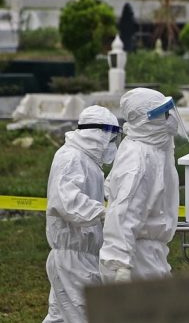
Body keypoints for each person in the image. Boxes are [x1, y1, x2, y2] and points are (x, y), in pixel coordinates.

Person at [43, 106, 120, 323]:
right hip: (72, 255)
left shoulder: (88, 162)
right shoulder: (71, 157)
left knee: (59, 317)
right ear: (97, 133)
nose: (111, 144)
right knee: (84, 315)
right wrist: (104, 213)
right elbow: (65, 200)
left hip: (81, 254)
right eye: (110, 137)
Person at [99, 88, 184, 283]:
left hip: (149, 254)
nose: (169, 119)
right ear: (148, 119)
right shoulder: (138, 157)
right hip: (136, 259)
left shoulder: (151, 149)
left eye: (168, 111)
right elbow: (124, 211)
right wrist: (119, 264)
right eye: (163, 113)